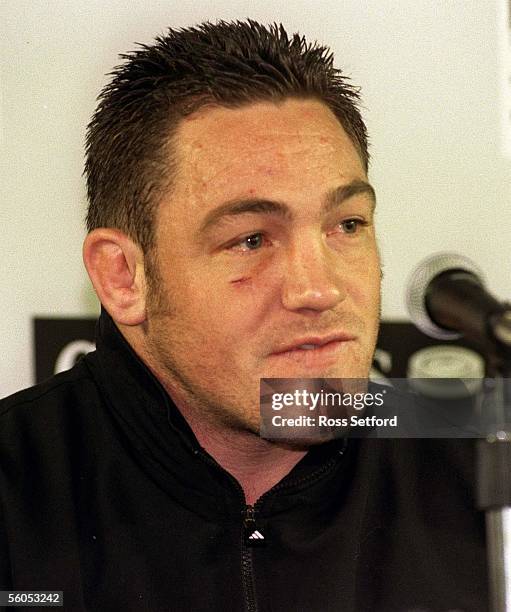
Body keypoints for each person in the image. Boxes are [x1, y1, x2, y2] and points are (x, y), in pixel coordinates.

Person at [0, 20, 487, 611]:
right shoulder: (16, 488)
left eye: (348, 225)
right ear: (123, 277)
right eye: (252, 239)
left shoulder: (483, 465)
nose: (319, 288)